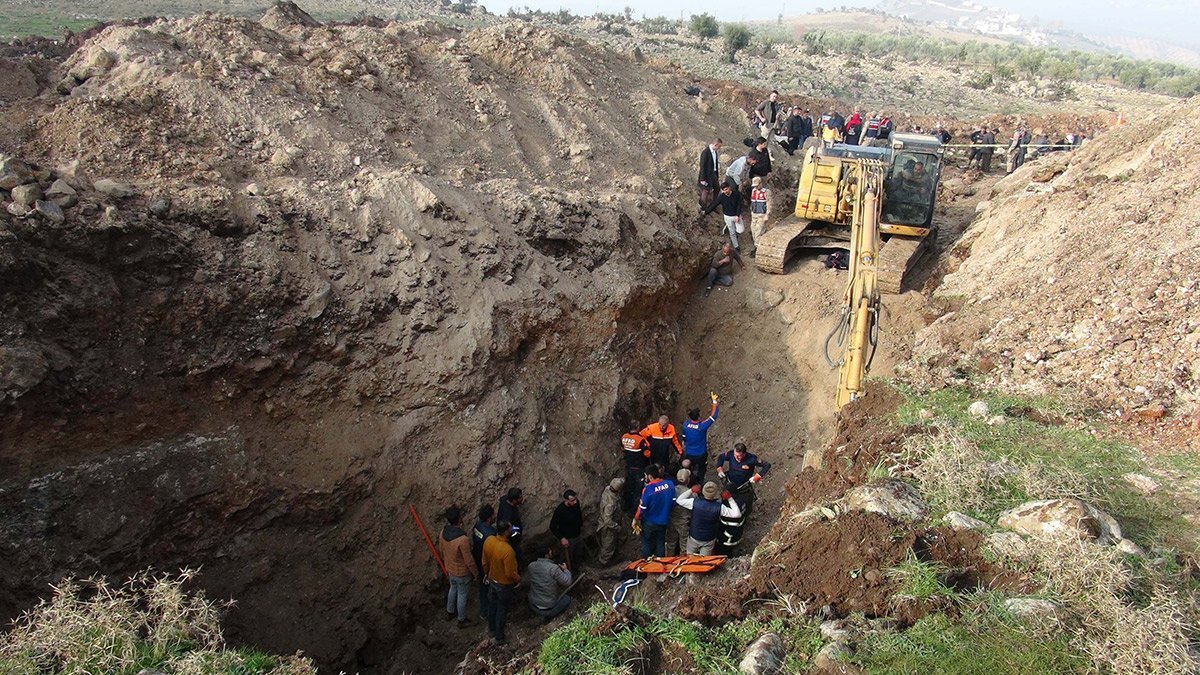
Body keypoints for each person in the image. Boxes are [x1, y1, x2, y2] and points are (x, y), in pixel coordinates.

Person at [675, 481, 742, 555]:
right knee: (705, 561)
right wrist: (730, 498)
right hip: (709, 538)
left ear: (703, 492)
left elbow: (679, 500)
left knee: (689, 557)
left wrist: (691, 490)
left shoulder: (694, 503)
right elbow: (737, 514)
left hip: (694, 536)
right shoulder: (719, 507)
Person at [438, 506, 479, 627]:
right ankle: (461, 619)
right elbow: (469, 560)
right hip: (461, 572)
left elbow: (441, 550)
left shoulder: (443, 533)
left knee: (453, 589)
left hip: (450, 568)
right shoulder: (462, 539)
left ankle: (450, 611)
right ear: (459, 519)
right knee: (462, 594)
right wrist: (476, 574)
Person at [481, 520, 520, 645]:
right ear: (507, 531)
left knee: (492, 605)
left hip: (492, 579)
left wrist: (487, 573)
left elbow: (484, 562)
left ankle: (491, 628)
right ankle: (499, 636)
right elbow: (510, 573)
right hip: (504, 585)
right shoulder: (507, 551)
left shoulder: (489, 541)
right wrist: (518, 579)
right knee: (502, 609)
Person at [715, 441, 771, 521]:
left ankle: (744, 518)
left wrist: (757, 476)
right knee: (725, 500)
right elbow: (721, 457)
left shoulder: (751, 459)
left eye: (739, 456)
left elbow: (767, 465)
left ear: (744, 454)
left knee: (745, 504)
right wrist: (719, 469)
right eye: (735, 455)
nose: (736, 458)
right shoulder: (731, 454)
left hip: (743, 487)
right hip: (730, 484)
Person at [632, 464, 675, 558]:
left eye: (645, 475)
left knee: (647, 542)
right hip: (664, 520)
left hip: (650, 521)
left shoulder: (648, 489)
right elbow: (673, 502)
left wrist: (636, 519)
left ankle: (646, 562)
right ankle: (660, 563)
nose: (645, 478)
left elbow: (642, 507)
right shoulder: (670, 484)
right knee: (660, 541)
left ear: (650, 476)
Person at [526, 546, 572, 621]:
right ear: (546, 555)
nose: (551, 552)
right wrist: (565, 570)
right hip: (548, 607)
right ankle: (551, 616)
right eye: (550, 552)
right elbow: (567, 582)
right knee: (567, 599)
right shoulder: (553, 568)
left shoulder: (531, 566)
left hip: (533, 604)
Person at [680, 392, 719, 483]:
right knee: (701, 468)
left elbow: (684, 437)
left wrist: (685, 443)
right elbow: (713, 416)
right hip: (701, 453)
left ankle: (689, 481)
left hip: (689, 452)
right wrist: (714, 402)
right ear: (698, 417)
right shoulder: (702, 426)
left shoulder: (686, 425)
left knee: (689, 467)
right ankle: (700, 482)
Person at [470, 505, 497, 620]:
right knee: (490, 587)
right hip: (486, 564)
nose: (495, 516)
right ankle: (488, 611)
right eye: (493, 515)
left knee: (483, 585)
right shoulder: (490, 534)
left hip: (477, 557)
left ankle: (484, 611)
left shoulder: (477, 526)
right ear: (489, 518)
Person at [702, 182, 744, 251]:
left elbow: (739, 205)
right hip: (728, 217)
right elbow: (714, 204)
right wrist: (706, 212)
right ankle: (736, 247)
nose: (725, 191)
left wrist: (737, 215)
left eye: (726, 189)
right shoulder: (722, 197)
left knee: (741, 230)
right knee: (732, 233)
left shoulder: (736, 194)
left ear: (729, 187)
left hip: (736, 216)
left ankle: (728, 227)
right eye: (724, 190)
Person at [549, 489, 583, 570]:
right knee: (566, 559)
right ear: (566, 500)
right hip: (567, 539)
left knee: (578, 554)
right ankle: (565, 576)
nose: (575, 502)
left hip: (577, 535)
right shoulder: (560, 510)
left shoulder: (576, 503)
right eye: (572, 500)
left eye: (575, 499)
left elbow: (578, 514)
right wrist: (562, 538)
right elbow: (552, 526)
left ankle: (576, 570)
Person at [620, 424, 650, 513]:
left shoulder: (624, 436)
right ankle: (633, 511)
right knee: (638, 490)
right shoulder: (640, 439)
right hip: (639, 468)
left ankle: (625, 507)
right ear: (637, 428)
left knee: (629, 487)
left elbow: (622, 448)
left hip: (629, 467)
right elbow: (647, 454)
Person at [597, 477, 625, 565]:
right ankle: (603, 563)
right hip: (609, 527)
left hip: (610, 521)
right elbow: (607, 520)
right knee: (608, 545)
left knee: (613, 542)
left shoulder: (607, 490)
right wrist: (617, 527)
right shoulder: (611, 504)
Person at [666, 468, 692, 555]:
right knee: (684, 545)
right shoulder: (691, 494)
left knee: (670, 543)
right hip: (684, 522)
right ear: (688, 480)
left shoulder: (671, 490)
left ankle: (667, 561)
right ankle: (682, 564)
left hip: (671, 520)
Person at [497, 487, 525, 564]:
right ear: (514, 500)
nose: (522, 498)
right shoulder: (508, 515)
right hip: (511, 539)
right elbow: (509, 530)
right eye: (520, 498)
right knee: (517, 556)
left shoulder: (505, 499)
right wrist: (517, 533)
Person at [697, 138, 723, 208]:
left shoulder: (715, 152)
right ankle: (703, 207)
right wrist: (702, 179)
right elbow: (702, 166)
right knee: (706, 190)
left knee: (717, 188)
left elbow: (715, 164)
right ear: (716, 144)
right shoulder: (705, 152)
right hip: (707, 175)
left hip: (713, 174)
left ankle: (712, 205)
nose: (719, 148)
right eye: (719, 146)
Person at [749, 176, 769, 258]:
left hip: (761, 215)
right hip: (754, 214)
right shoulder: (753, 191)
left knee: (759, 233)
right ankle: (756, 245)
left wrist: (767, 215)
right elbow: (752, 202)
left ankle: (758, 248)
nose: (756, 187)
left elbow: (769, 204)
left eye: (757, 185)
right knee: (753, 231)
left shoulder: (766, 192)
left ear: (761, 184)